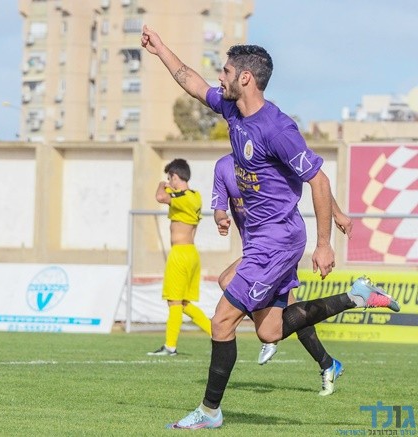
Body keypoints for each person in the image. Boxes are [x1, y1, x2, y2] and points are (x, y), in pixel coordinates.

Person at [141, 25, 400, 429]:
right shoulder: (233, 111)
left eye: (226, 71)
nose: (219, 77)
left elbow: (318, 179)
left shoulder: (277, 128)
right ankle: (356, 296)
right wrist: (161, 49)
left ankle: (209, 412)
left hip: (277, 240)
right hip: (265, 239)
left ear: (245, 77)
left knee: (222, 319)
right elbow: (191, 81)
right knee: (270, 331)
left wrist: (324, 244)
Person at [212, 153, 352, 396]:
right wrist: (221, 219)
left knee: (227, 280)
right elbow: (219, 208)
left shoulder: (267, 155)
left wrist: (336, 213)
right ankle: (327, 362)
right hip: (256, 250)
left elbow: (316, 179)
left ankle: (277, 336)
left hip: (277, 245)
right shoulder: (223, 166)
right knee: (288, 314)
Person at [147, 158, 212, 356]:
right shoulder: (195, 196)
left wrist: (162, 184)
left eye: (170, 178)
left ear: (175, 176)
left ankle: (170, 346)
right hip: (191, 253)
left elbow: (160, 196)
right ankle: (217, 333)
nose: (169, 181)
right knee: (183, 303)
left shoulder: (183, 197)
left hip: (180, 253)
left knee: (174, 302)